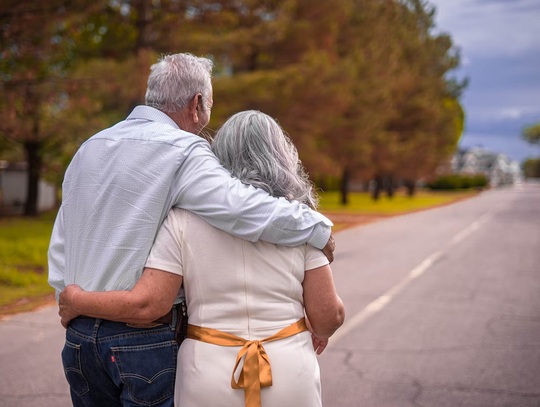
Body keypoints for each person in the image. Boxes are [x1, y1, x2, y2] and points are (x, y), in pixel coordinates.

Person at [48, 54, 335, 407]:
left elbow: (62, 242)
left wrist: (70, 300)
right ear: (196, 105)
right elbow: (241, 208)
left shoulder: (89, 148)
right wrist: (316, 226)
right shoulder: (185, 150)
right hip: (142, 341)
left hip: (79, 339)